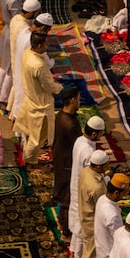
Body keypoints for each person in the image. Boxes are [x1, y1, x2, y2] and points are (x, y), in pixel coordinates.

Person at [13, 30, 63, 164]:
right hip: (41, 106)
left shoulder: (27, 53)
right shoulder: (39, 65)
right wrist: (59, 87)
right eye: (46, 44)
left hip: (31, 98)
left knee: (31, 134)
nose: (48, 46)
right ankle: (29, 162)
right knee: (37, 139)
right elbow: (48, 86)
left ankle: (27, 156)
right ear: (40, 46)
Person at [69, 115, 107, 258]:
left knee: (77, 220)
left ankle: (73, 250)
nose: (101, 136)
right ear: (94, 133)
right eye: (100, 133)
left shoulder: (80, 140)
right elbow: (92, 173)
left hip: (76, 184)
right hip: (83, 188)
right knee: (82, 226)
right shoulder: (87, 152)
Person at [77, 148, 111, 258]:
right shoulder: (96, 188)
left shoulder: (86, 171)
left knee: (88, 249)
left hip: (85, 216)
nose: (108, 167)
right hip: (93, 221)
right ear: (98, 166)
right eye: (106, 165)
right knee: (94, 255)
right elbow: (103, 207)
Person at [94, 172, 130, 258]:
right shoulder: (112, 215)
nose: (125, 195)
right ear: (116, 193)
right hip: (109, 253)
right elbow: (119, 237)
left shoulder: (102, 199)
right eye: (124, 193)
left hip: (101, 247)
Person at [53, 85, 82, 237]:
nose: (79, 102)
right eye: (78, 99)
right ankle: (65, 232)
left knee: (63, 193)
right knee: (67, 199)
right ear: (72, 100)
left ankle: (61, 222)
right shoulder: (70, 124)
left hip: (60, 160)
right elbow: (79, 145)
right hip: (67, 164)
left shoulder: (60, 115)